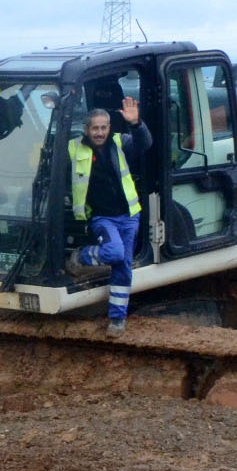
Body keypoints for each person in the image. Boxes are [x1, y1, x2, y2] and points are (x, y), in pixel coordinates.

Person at [69, 95, 152, 333]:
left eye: (103, 127)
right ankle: (81, 256)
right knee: (115, 252)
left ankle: (117, 319)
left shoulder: (120, 142)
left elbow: (144, 144)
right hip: (102, 218)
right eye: (95, 128)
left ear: (109, 128)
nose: (99, 132)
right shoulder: (73, 147)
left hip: (129, 215)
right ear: (86, 129)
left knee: (123, 266)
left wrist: (136, 124)